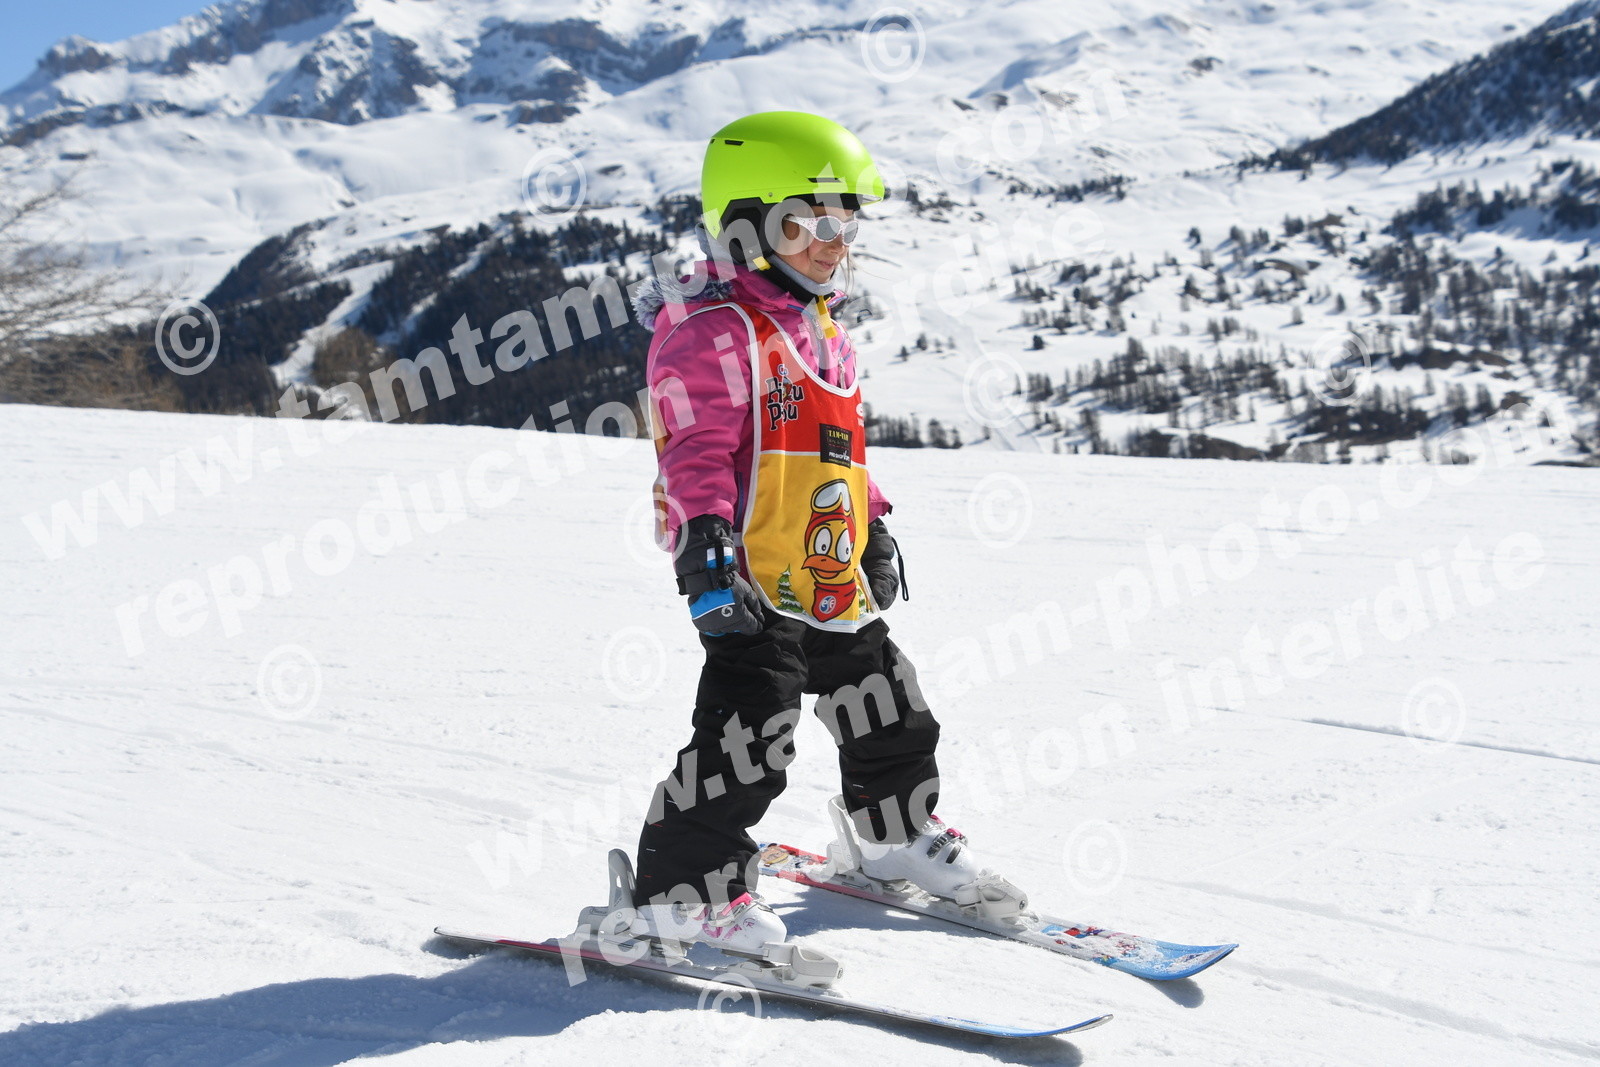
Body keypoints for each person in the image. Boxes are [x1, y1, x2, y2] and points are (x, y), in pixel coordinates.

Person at [625, 111, 1014, 955]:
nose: (834, 245)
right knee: (750, 734)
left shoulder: (820, 326)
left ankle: (891, 831)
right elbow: (693, 449)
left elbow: (837, 443)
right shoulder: (713, 331)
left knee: (888, 701)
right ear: (746, 226)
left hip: (825, 565)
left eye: (845, 226)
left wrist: (872, 521)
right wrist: (704, 550)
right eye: (808, 225)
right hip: (750, 572)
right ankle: (680, 892)